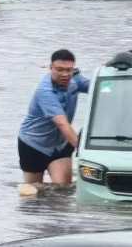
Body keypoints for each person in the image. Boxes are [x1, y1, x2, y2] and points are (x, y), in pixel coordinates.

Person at [18, 49, 90, 185]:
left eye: (69, 70)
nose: (65, 74)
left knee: (62, 190)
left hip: (60, 144)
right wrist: (85, 153)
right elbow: (62, 124)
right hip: (34, 144)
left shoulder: (75, 79)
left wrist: (110, 70)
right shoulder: (45, 92)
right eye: (59, 69)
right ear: (51, 68)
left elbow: (99, 87)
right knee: (33, 194)